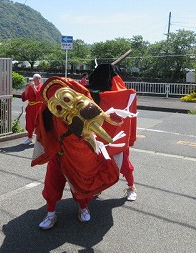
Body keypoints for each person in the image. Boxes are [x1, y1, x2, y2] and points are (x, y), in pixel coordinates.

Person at [31, 77, 121, 230]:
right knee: (52, 185)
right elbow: (43, 131)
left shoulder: (81, 99)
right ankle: (51, 213)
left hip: (80, 153)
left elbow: (95, 115)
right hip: (58, 155)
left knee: (83, 181)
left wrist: (106, 117)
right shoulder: (46, 112)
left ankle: (83, 207)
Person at [88, 64, 138, 201]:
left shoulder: (96, 92)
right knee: (96, 164)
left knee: (124, 164)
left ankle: (131, 187)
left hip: (116, 135)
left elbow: (127, 94)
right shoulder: (89, 93)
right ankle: (97, 187)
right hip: (97, 135)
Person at [21, 73, 43, 145]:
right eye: (32, 79)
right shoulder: (30, 86)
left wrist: (33, 88)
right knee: (29, 122)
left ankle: (40, 138)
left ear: (39, 79)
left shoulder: (41, 86)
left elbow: (39, 97)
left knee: (39, 122)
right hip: (30, 106)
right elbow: (26, 97)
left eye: (35, 79)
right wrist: (26, 89)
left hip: (38, 106)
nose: (33, 80)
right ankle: (30, 138)